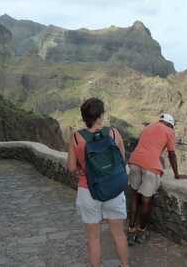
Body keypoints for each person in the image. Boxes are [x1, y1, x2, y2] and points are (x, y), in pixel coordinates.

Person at [67, 98, 128, 267]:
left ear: (84, 116)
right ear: (101, 115)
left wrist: (83, 167)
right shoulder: (114, 133)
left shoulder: (76, 138)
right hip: (114, 189)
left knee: (93, 238)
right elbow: (122, 161)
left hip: (88, 191)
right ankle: (125, 265)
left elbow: (71, 167)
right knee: (119, 234)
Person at [127, 113, 187, 245]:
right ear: (171, 124)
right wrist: (177, 174)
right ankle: (141, 231)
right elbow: (172, 154)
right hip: (151, 167)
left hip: (134, 161)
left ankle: (131, 230)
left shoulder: (148, 126)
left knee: (133, 196)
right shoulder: (170, 132)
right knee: (146, 201)